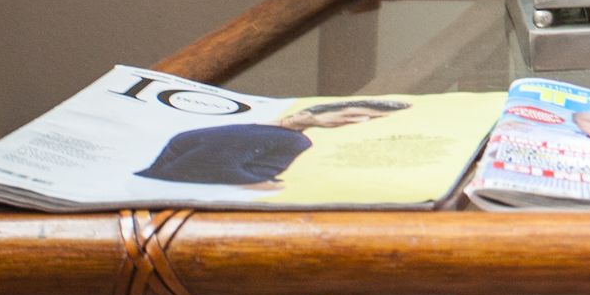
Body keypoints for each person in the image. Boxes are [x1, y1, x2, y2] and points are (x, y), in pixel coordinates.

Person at [135, 98, 409, 189]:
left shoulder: (288, 137)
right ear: (307, 113)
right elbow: (210, 167)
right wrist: (265, 187)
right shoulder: (280, 137)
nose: (358, 122)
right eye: (354, 115)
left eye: (368, 119)